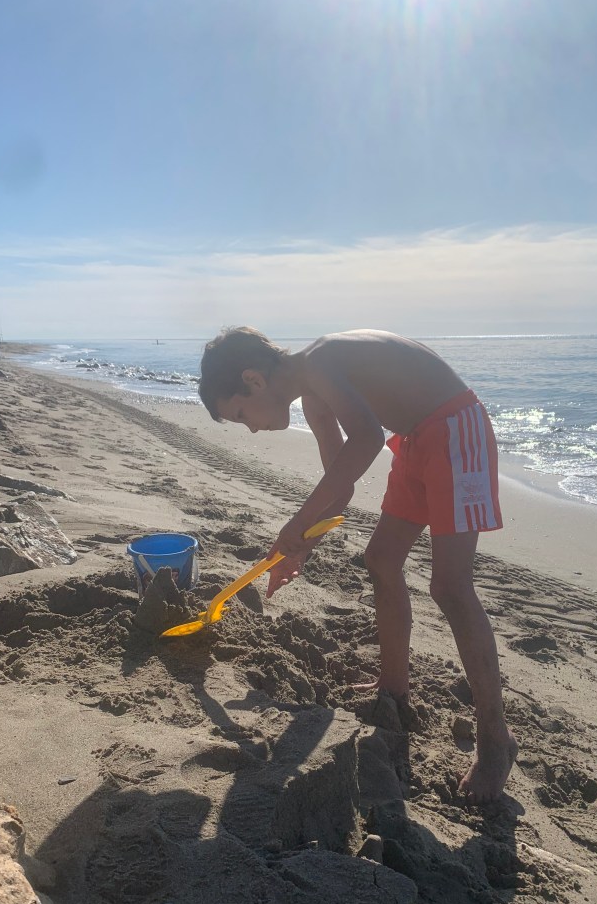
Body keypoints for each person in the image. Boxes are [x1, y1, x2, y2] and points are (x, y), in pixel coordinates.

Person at [198, 327, 516, 804]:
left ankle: (495, 739)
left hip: (456, 429)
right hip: (418, 439)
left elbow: (366, 438)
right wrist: (298, 546)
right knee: (381, 558)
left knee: (450, 586)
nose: (252, 429)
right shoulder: (313, 398)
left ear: (254, 380)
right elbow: (340, 486)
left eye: (242, 415)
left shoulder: (321, 361)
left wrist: (296, 523)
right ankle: (394, 688)